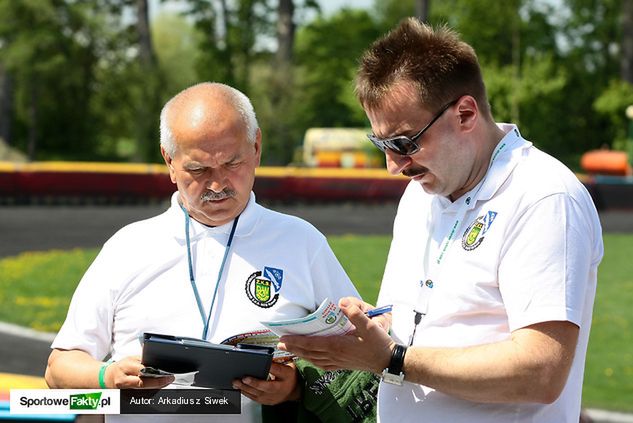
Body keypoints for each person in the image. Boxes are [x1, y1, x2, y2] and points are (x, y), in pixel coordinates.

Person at [279, 18, 604, 423]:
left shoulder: (543, 196)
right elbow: (428, 324)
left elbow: (542, 371)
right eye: (380, 144)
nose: (393, 166)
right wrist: (368, 328)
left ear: (465, 114)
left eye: (403, 142)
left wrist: (392, 359)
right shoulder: (422, 193)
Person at [45, 82, 361, 422]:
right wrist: (107, 377)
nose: (218, 184)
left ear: (256, 148)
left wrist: (295, 387)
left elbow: (360, 358)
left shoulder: (302, 242)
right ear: (169, 161)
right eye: (198, 170)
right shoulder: (127, 247)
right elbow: (58, 369)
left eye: (232, 162)